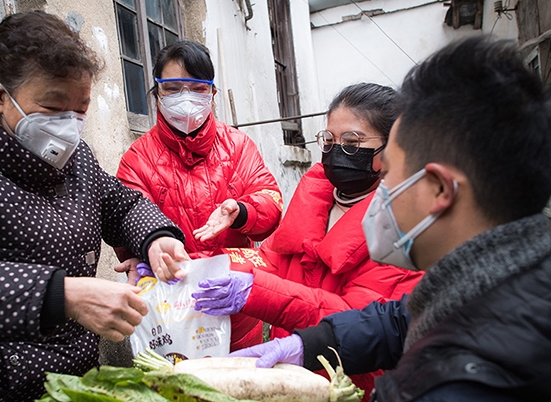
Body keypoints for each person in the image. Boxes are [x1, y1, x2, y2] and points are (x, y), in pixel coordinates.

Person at [0, 11, 191, 401]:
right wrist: (62, 296)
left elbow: (121, 204)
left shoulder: (76, 159)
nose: (69, 125)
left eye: (80, 110)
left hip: (70, 383)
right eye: (52, 107)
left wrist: (155, 237)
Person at [228, 36, 551, 401]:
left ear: (439, 190)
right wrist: (316, 342)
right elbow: (400, 319)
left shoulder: (459, 383)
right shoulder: (486, 285)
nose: (381, 191)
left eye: (389, 174)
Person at [192, 83, 424, 400]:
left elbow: (358, 319)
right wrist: (193, 267)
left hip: (350, 385)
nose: (337, 150)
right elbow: (271, 262)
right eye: (329, 140)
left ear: (390, 149)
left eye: (352, 142)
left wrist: (254, 291)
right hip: (288, 379)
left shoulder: (403, 224)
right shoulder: (315, 200)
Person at [114, 40, 283, 350]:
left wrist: (241, 212)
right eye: (173, 88)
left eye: (197, 88)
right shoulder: (137, 159)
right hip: (174, 310)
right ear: (158, 93)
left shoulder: (238, 146)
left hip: (237, 305)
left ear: (212, 95)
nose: (185, 98)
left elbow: (270, 204)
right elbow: (125, 226)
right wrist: (141, 256)